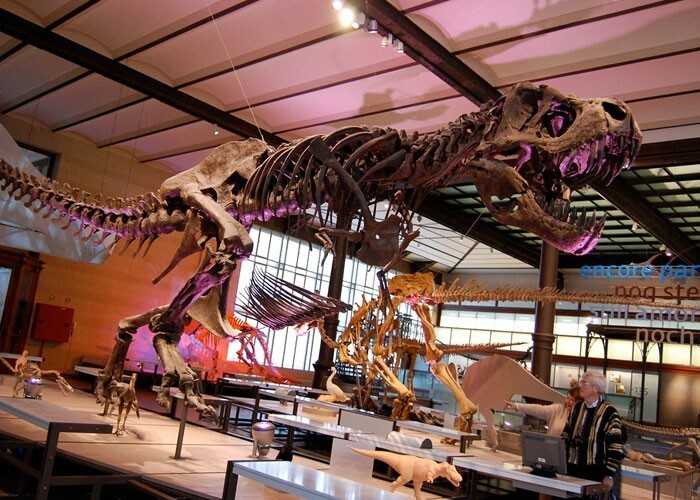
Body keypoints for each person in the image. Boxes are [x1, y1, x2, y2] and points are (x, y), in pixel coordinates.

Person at [563, 371, 625, 497]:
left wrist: (609, 474)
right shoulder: (577, 408)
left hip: (595, 473)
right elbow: (565, 435)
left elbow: (616, 447)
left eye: (584, 383)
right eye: (581, 382)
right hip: (572, 469)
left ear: (595, 388)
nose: (580, 385)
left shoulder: (609, 413)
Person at [503, 384, 581, 436]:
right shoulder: (558, 409)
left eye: (572, 400)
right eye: (567, 398)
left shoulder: (582, 417)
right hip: (553, 451)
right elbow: (538, 409)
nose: (568, 402)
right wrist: (517, 406)